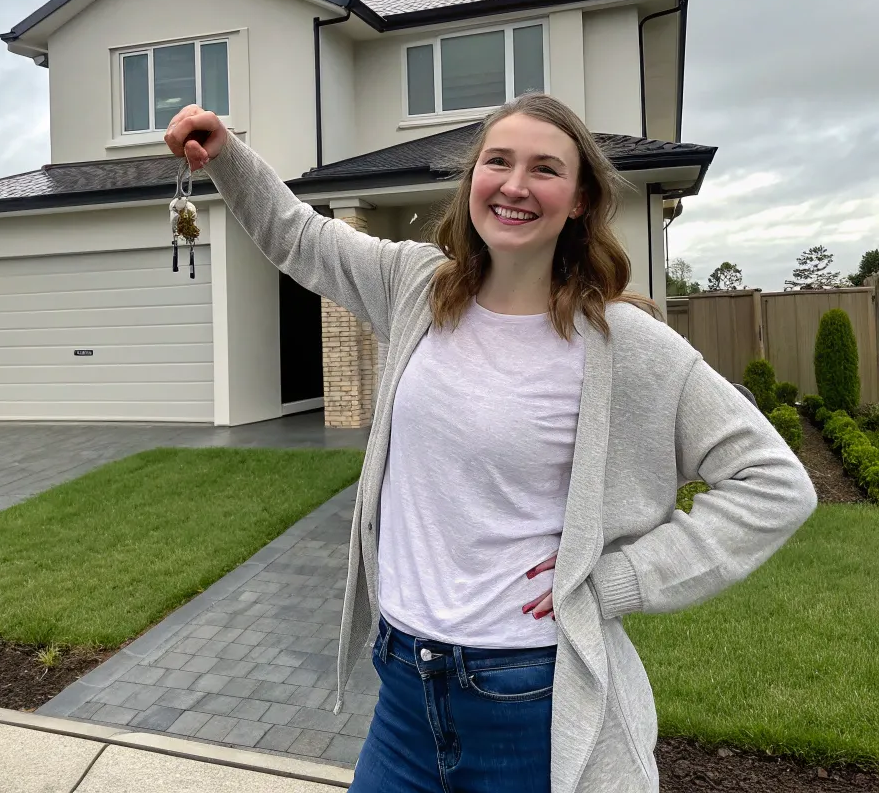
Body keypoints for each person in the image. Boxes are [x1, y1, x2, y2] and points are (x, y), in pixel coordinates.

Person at [164, 93, 817, 793]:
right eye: (497, 162)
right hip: (405, 689)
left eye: (545, 169)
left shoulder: (625, 346)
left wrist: (621, 579)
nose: (514, 184)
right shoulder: (416, 288)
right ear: (472, 179)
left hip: (526, 696)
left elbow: (775, 484)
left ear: (578, 201)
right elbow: (295, 233)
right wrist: (225, 154)